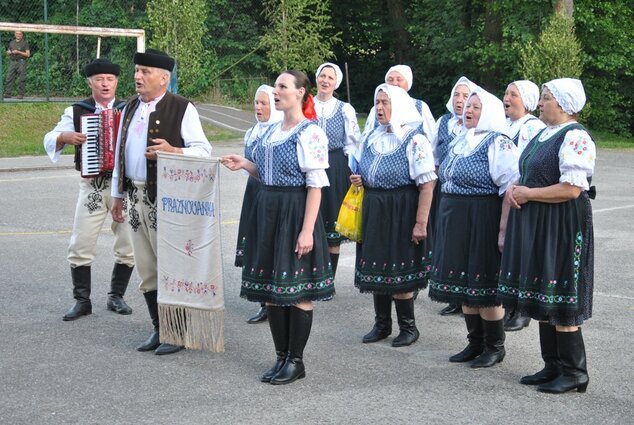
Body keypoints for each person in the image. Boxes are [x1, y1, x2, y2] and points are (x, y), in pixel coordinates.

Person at [221, 70, 334, 385]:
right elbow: (267, 174)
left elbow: (315, 186)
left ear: (300, 93)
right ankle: (281, 356)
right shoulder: (271, 132)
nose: (276, 91)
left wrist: (307, 230)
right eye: (275, 86)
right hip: (267, 213)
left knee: (298, 291)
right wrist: (245, 164)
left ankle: (295, 361)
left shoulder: (310, 133)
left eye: (282, 86)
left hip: (294, 213)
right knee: (271, 291)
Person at [110, 49, 212, 355]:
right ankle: (159, 328)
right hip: (135, 196)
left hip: (168, 201)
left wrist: (174, 152)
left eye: (145, 72)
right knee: (147, 267)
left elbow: (204, 150)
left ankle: (177, 331)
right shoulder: (129, 107)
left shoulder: (181, 108)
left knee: (172, 266)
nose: (138, 77)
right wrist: (117, 195)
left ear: (163, 78)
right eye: (137, 71)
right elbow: (119, 154)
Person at [498, 78, 595, 394]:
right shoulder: (544, 133)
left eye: (546, 98)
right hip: (540, 220)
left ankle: (574, 371)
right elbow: (529, 174)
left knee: (561, 286)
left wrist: (529, 193)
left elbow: (572, 188)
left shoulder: (576, 136)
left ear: (565, 105)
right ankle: (552, 365)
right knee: (542, 288)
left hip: (563, 223)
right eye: (541, 98)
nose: (540, 103)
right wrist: (517, 189)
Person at [428, 86, 519, 368]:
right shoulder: (460, 139)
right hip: (454, 218)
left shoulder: (498, 142)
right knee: (463, 281)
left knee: (484, 283)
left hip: (482, 217)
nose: (468, 110)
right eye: (468, 106)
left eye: (475, 107)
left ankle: (494, 346)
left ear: (488, 112)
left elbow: (509, 188)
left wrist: (503, 230)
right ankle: (474, 342)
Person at [43, 58, 135, 322]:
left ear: (117, 82)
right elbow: (50, 137)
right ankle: (82, 301)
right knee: (80, 242)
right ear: (90, 82)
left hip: (123, 187)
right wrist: (64, 137)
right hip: (92, 185)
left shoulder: (129, 110)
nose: (105, 84)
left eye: (110, 79)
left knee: (128, 244)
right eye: (99, 79)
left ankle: (116, 296)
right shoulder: (77, 111)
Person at [350, 84, 436, 348]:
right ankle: (382, 324)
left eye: (385, 102)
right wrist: (360, 179)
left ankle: (408, 328)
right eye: (377, 102)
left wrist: (420, 223)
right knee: (376, 265)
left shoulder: (414, 139)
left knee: (400, 270)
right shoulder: (374, 136)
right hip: (375, 208)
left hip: (401, 209)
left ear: (398, 106)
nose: (379, 108)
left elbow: (427, 184)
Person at [501, 79, 546, 332]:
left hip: (521, 196)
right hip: (503, 195)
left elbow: (528, 163)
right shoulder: (506, 124)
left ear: (527, 100)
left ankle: (522, 310)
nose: (507, 98)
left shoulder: (531, 126)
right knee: (507, 253)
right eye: (506, 93)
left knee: (520, 253)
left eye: (513, 94)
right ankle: (509, 305)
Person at [236, 85, 283, 324]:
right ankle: (264, 302)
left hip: (270, 193)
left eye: (264, 103)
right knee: (256, 244)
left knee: (270, 245)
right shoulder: (252, 131)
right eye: (256, 102)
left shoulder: (278, 132)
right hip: (254, 192)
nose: (258, 107)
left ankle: (274, 300)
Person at [431, 76, 477, 316]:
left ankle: (466, 295)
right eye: (456, 95)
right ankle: (454, 294)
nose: (460, 100)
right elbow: (435, 156)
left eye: (465, 96)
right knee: (447, 241)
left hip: (468, 194)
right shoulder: (443, 122)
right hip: (444, 189)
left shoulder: (480, 127)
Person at [313, 62, 361, 277]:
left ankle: (329, 277)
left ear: (336, 83)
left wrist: (352, 170)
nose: (325, 80)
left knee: (331, 222)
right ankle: (312, 272)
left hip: (334, 165)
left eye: (330, 78)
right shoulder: (306, 105)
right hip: (311, 164)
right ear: (316, 78)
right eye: (322, 76)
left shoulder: (344, 109)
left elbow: (352, 142)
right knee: (311, 219)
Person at [363, 65, 437, 144]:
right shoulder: (376, 109)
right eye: (390, 80)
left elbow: (432, 138)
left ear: (408, 83)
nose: (394, 83)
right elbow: (365, 138)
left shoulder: (420, 107)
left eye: (399, 79)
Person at [4, 31, 30, 99]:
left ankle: (21, 94)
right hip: (12, 62)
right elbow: (8, 50)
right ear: (14, 34)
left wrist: (18, 52)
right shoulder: (12, 42)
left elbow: (28, 54)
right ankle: (8, 93)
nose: (18, 35)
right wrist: (8, 52)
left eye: (20, 34)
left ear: (22, 35)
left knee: (22, 78)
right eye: (17, 34)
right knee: (9, 77)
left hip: (21, 62)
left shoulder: (25, 43)